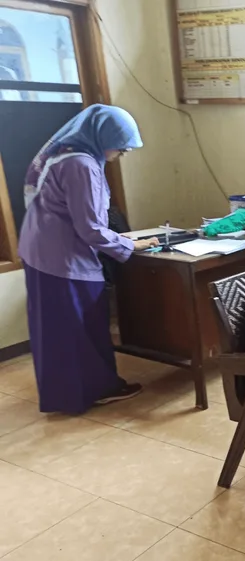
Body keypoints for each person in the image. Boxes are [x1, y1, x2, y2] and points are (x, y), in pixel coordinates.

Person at [18, 104, 159, 416]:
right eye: (121, 147)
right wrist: (131, 244)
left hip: (38, 250)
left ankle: (63, 394)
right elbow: (92, 228)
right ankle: (97, 390)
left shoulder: (59, 152)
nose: (122, 153)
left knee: (54, 328)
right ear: (103, 137)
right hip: (64, 259)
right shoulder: (83, 165)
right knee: (82, 327)